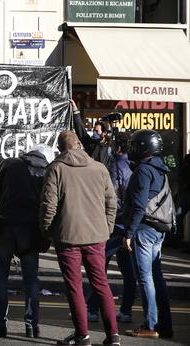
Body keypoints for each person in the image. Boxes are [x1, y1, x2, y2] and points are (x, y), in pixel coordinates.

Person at [39, 131, 119, 346]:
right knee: (101, 284)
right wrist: (107, 228)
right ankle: (113, 336)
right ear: (80, 144)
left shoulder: (56, 168)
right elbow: (111, 203)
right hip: (97, 235)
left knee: (74, 287)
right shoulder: (99, 168)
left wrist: (47, 230)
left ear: (60, 148)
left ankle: (82, 336)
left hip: (67, 237)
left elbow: (49, 205)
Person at [0, 145, 55, 339]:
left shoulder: (9, 164)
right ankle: (32, 325)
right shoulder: (48, 171)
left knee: (1, 276)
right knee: (31, 279)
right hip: (30, 230)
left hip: (6, 225)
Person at [123, 130, 174, 339]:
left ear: (142, 147)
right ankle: (165, 324)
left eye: (134, 145)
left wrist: (129, 232)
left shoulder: (144, 170)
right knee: (156, 277)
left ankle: (150, 325)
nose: (131, 149)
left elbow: (139, 204)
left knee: (145, 278)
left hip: (144, 230)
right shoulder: (159, 168)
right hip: (159, 229)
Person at [87, 133, 136, 325]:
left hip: (115, 224)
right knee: (128, 272)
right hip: (129, 224)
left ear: (117, 149)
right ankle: (126, 311)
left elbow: (112, 198)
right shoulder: (134, 166)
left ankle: (92, 309)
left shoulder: (116, 167)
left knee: (99, 268)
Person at [70, 100, 114, 168]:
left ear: (104, 133)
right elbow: (81, 132)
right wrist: (75, 111)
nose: (94, 133)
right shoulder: (92, 144)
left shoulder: (111, 147)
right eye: (94, 130)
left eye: (97, 131)